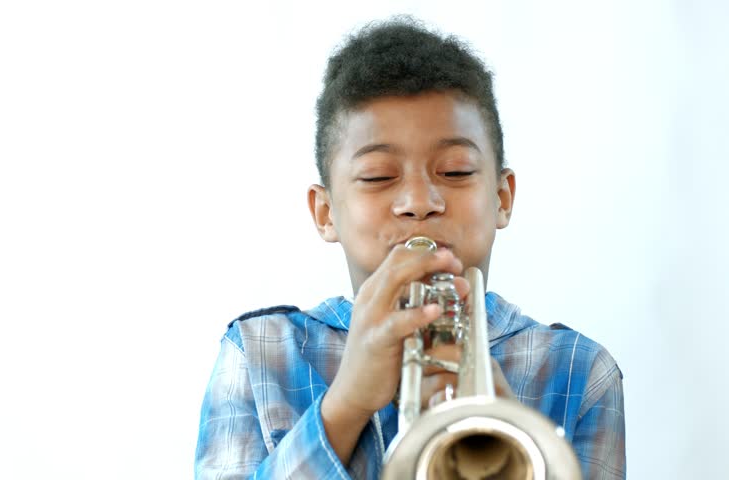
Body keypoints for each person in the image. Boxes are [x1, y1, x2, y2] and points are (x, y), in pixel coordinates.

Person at [194, 17, 625, 479]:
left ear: (502, 198)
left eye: (456, 172)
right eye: (379, 176)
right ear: (326, 213)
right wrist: (345, 405)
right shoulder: (261, 353)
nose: (421, 202)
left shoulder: (578, 369)